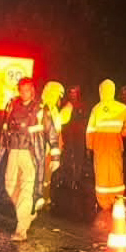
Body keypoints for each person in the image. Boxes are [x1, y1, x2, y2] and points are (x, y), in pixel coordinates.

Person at [86, 79, 126, 211]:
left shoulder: (96, 109)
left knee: (102, 173)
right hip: (115, 144)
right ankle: (117, 200)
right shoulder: (121, 108)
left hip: (100, 146)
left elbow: (90, 130)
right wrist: (123, 132)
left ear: (101, 91)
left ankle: (103, 203)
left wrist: (89, 146)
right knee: (116, 172)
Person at [1, 78, 42, 241]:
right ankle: (25, 213)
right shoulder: (12, 106)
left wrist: (54, 155)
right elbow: (4, 126)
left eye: (27, 90)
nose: (24, 93)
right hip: (13, 149)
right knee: (10, 185)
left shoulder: (39, 108)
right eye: (21, 90)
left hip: (29, 152)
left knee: (26, 187)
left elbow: (49, 129)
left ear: (32, 91)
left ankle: (21, 229)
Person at [37, 81, 71, 211]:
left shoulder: (52, 109)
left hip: (51, 150)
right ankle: (40, 199)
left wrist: (67, 110)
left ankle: (45, 199)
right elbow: (50, 130)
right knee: (43, 175)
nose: (59, 100)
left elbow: (59, 122)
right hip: (46, 150)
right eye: (58, 96)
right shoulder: (45, 109)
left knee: (48, 176)